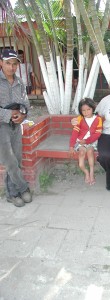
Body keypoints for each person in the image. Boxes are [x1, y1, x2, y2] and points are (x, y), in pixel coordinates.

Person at [0, 49, 32, 207]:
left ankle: (11, 193)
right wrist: (9, 114)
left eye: (14, 64)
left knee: (17, 159)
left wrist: (23, 115)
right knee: (10, 161)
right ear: (1, 63)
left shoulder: (19, 82)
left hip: (16, 126)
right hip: (1, 127)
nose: (11, 67)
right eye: (8, 63)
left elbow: (26, 104)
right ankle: (22, 188)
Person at [69, 98, 103, 185]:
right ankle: (86, 172)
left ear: (93, 109)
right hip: (80, 142)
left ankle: (91, 173)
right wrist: (71, 146)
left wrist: (87, 141)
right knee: (81, 154)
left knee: (90, 151)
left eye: (88, 109)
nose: (86, 112)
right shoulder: (79, 119)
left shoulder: (98, 119)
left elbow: (97, 134)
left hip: (92, 141)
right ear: (80, 111)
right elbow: (75, 133)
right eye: (83, 110)